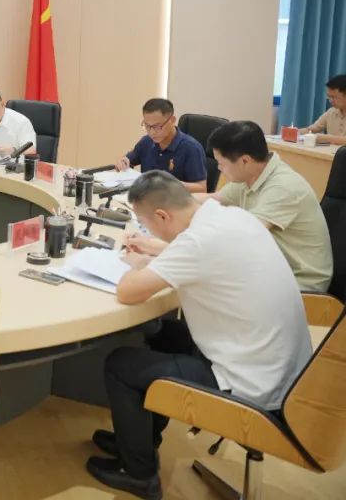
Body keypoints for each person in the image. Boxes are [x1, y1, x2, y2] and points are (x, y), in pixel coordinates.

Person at [85, 171, 310, 499]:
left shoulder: (198, 242)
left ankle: (139, 474)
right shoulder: (231, 217)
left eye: (146, 224)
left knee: (120, 365)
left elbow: (128, 292)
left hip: (254, 390)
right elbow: (196, 255)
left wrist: (138, 264)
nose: (149, 231)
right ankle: (139, 442)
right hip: (286, 374)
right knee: (167, 335)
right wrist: (154, 254)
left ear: (162, 216)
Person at [198, 120, 332, 292]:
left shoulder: (283, 187)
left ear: (244, 160)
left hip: (300, 284)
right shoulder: (250, 175)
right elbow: (213, 199)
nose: (218, 168)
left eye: (221, 163)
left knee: (208, 285)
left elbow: (247, 234)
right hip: (271, 272)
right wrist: (172, 200)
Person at [115, 98, 207, 193]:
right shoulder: (146, 141)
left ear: (172, 120)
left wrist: (171, 185)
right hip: (147, 197)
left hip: (175, 199)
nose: (152, 132)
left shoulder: (191, 148)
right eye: (147, 126)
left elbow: (202, 188)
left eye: (157, 127)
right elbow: (128, 160)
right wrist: (122, 161)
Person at [299, 73, 346, 145]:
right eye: (329, 97)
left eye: (334, 97)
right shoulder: (331, 112)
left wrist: (327, 138)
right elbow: (312, 129)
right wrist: (295, 132)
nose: (330, 100)